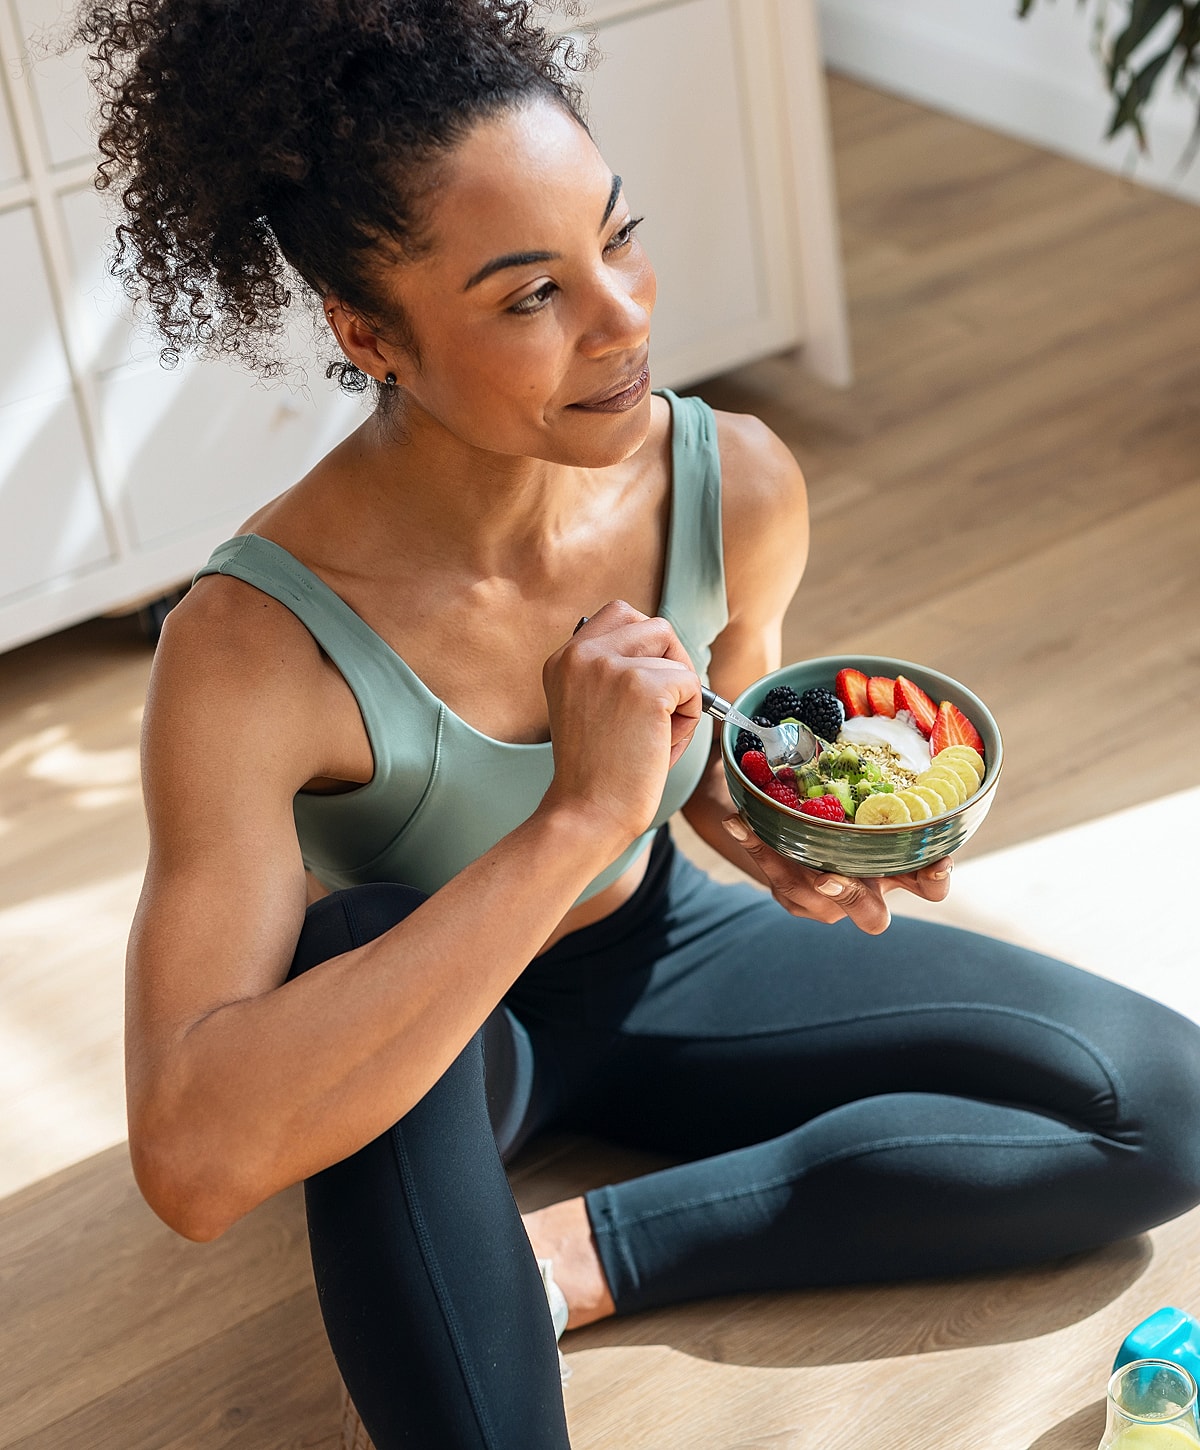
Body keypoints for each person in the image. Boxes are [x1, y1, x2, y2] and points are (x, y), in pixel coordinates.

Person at [80, 1, 1200, 1446]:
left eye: (618, 235)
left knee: (1162, 1103)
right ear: (371, 333)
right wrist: (579, 814)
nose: (623, 318)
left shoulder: (734, 481)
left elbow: (712, 751)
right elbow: (192, 1156)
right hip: (425, 1029)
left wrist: (784, 828)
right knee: (354, 948)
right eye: (528, 294)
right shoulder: (251, 645)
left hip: (659, 948)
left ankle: (578, 1255)